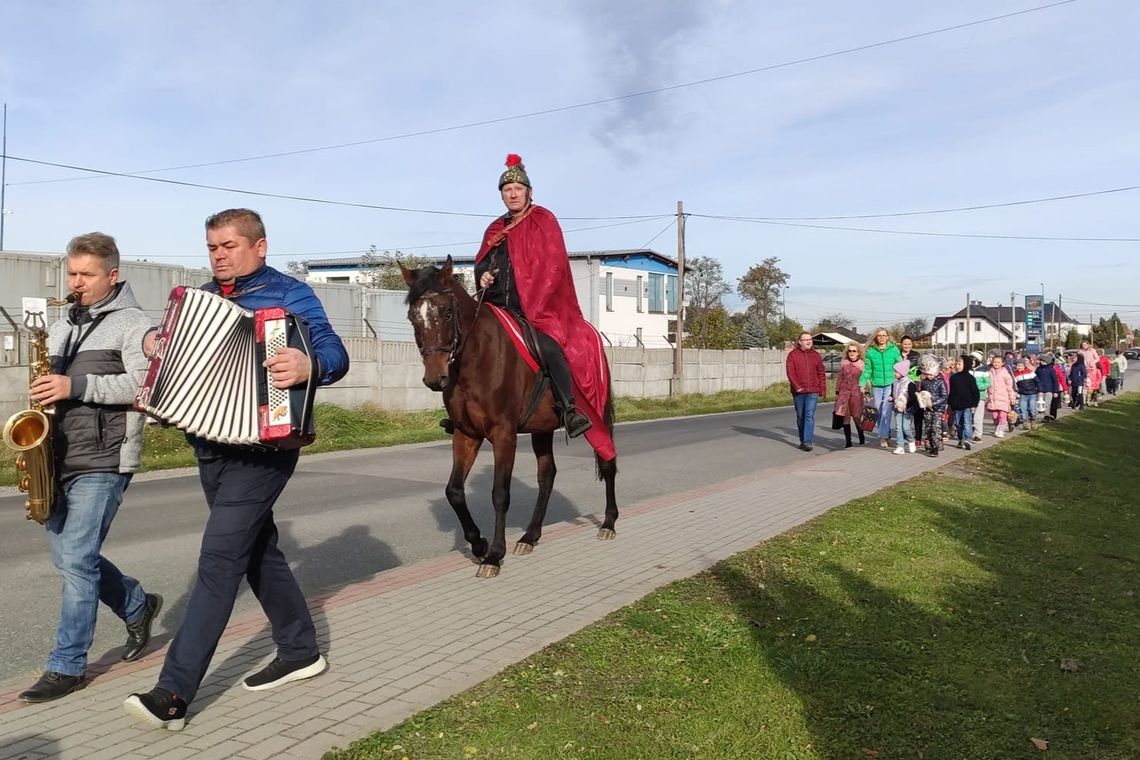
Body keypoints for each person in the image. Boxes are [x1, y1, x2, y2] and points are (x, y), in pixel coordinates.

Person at [124, 209, 349, 731]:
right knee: (256, 552)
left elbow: (335, 351)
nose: (219, 255)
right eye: (212, 247)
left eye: (228, 245)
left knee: (220, 558)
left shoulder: (291, 294)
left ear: (259, 246)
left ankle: (173, 694)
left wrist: (308, 364)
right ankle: (300, 650)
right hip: (211, 441)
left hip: (266, 445)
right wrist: (153, 345)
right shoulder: (197, 299)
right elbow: (174, 356)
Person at [17, 233, 161, 703]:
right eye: (71, 273)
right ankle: (137, 605)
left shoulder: (135, 325)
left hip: (105, 456)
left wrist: (74, 385)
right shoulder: (58, 328)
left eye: (86, 275)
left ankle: (67, 666)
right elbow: (47, 386)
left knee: (77, 559)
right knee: (69, 557)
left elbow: (145, 388)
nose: (75, 283)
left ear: (112, 276)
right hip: (55, 456)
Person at [472, 154, 597, 443]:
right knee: (465, 341)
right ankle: (465, 412)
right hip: (496, 307)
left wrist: (529, 290)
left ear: (529, 191)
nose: (512, 194)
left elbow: (553, 265)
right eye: (507, 190)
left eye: (518, 188)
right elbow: (482, 262)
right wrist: (483, 277)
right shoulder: (494, 229)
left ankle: (569, 408)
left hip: (535, 307)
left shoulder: (544, 220)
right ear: (502, 195)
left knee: (550, 348)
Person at [860, 328, 903, 449]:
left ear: (888, 337)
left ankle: (883, 437)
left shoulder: (893, 349)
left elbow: (900, 365)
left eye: (884, 335)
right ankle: (886, 434)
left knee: (886, 410)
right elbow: (867, 370)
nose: (882, 337)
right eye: (879, 336)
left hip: (890, 383)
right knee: (879, 411)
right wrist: (862, 383)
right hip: (877, 385)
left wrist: (905, 379)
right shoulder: (870, 351)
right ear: (876, 337)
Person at [786, 332, 827, 451]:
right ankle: (802, 440)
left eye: (810, 339)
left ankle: (808, 441)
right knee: (801, 416)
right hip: (798, 392)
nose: (809, 341)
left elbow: (821, 373)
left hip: (812, 391)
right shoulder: (793, 355)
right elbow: (790, 373)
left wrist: (822, 389)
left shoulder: (816, 355)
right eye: (805, 340)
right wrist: (797, 386)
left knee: (809, 415)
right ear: (800, 342)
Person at [832, 341, 865, 448]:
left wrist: (866, 390)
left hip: (856, 392)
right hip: (844, 392)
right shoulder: (844, 363)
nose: (851, 353)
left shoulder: (862, 364)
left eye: (854, 351)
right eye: (850, 351)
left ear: (858, 352)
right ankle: (848, 441)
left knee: (856, 416)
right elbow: (840, 377)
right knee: (845, 416)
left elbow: (865, 379)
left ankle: (861, 435)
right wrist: (837, 392)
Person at [949, 354, 980, 450]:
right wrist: (950, 403)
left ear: (966, 365)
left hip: (967, 404)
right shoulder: (953, 377)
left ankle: (968, 439)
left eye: (959, 364)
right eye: (956, 364)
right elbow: (952, 392)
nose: (957, 366)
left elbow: (975, 392)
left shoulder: (970, 378)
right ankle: (961, 439)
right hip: (957, 405)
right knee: (959, 424)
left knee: (967, 422)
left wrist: (974, 404)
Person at [918, 356, 947, 456]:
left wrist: (934, 403)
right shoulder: (924, 382)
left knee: (936, 427)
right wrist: (922, 401)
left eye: (930, 374)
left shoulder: (940, 382)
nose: (928, 376)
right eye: (926, 374)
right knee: (928, 427)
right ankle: (930, 444)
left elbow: (944, 396)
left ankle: (935, 447)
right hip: (927, 409)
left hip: (938, 409)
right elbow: (921, 392)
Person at [890, 359, 917, 455]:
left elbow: (914, 397)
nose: (894, 373)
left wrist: (906, 405)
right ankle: (900, 446)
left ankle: (910, 440)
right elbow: (893, 392)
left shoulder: (909, 383)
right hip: (897, 407)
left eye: (896, 372)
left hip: (907, 409)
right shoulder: (895, 382)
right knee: (898, 427)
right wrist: (891, 398)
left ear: (902, 372)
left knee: (906, 428)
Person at [986, 354, 1017, 438]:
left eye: (998, 362)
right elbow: (987, 384)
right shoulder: (989, 372)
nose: (996, 364)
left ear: (1002, 363)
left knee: (1002, 415)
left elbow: (1009, 386)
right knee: (995, 416)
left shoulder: (1005, 373)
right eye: (995, 362)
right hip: (993, 399)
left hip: (1003, 398)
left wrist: (1012, 397)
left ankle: (1001, 429)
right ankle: (998, 426)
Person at [1035, 351, 1062, 421]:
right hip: (1040, 390)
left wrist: (1055, 391)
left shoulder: (1051, 370)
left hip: (1049, 390)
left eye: (1044, 361)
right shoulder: (1038, 369)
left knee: (1047, 403)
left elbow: (1055, 381)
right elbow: (1036, 378)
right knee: (1040, 402)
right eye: (1041, 361)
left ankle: (1046, 416)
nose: (1042, 362)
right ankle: (1038, 415)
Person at [969, 351, 990, 443]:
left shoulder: (984, 370)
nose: (972, 361)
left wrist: (978, 387)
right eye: (971, 359)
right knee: (968, 415)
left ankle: (978, 435)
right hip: (968, 396)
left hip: (980, 396)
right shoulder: (966, 369)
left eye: (974, 360)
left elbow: (987, 383)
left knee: (978, 416)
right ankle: (967, 433)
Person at [1013, 359, 1039, 429]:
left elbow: (1037, 381)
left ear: (1024, 366)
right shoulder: (1015, 375)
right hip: (1022, 395)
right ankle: (1025, 423)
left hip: (1032, 394)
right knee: (1023, 410)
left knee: (1032, 409)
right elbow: (1014, 385)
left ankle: (1033, 420)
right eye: (1018, 365)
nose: (1019, 367)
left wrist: (1039, 389)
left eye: (1021, 366)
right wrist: (1016, 392)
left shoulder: (1030, 372)